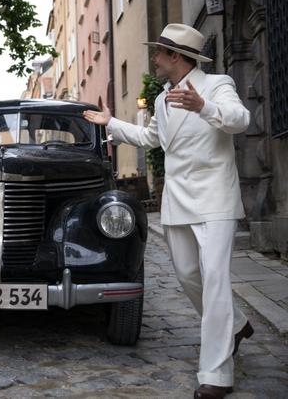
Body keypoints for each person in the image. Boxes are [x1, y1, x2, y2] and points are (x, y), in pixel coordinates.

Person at [83, 24, 253, 399]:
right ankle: (237, 325)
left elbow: (242, 121)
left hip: (215, 198)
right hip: (177, 200)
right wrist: (110, 123)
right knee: (190, 276)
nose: (155, 59)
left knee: (215, 280)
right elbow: (153, 138)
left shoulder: (217, 85)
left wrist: (204, 107)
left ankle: (215, 374)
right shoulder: (162, 99)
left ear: (175, 56)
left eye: (159, 52)